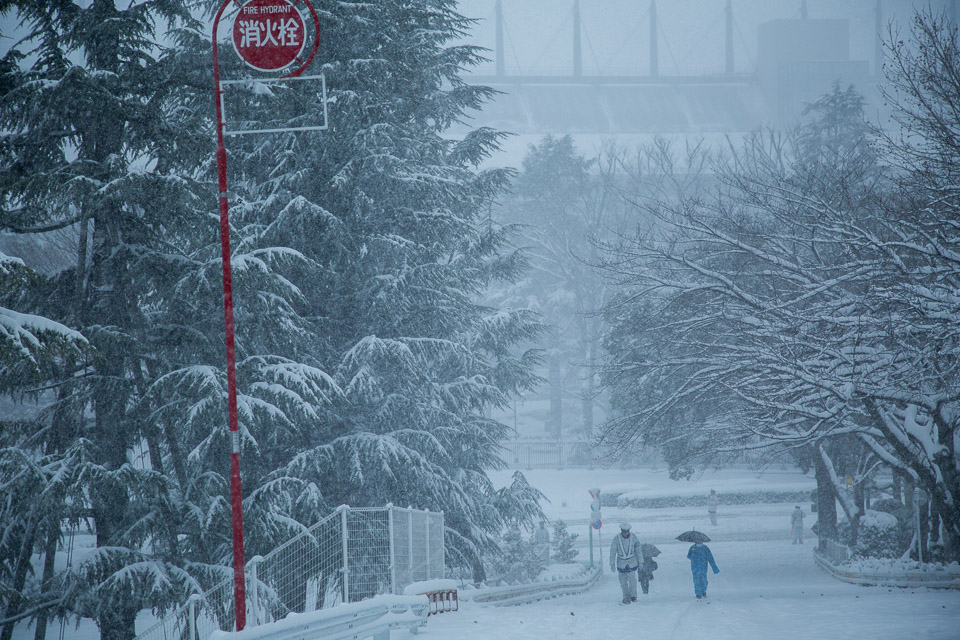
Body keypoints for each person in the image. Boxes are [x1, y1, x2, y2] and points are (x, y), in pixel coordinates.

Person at [609, 522, 643, 604]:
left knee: (632, 581)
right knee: (623, 582)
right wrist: (612, 563)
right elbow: (613, 551)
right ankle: (626, 597)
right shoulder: (616, 539)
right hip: (621, 563)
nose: (626, 533)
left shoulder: (634, 537)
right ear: (621, 531)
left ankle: (633, 596)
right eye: (624, 532)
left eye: (627, 531)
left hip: (632, 562)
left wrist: (641, 561)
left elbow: (638, 550)